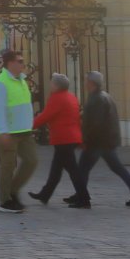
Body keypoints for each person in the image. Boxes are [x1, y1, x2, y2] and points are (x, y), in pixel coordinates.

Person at [79, 71, 130, 208]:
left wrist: (85, 139)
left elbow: (96, 123)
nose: (85, 83)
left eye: (86, 81)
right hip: (107, 140)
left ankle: (82, 199)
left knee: (82, 168)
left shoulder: (97, 99)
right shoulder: (105, 96)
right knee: (118, 168)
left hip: (97, 141)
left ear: (91, 83)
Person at [0, 49, 41, 214]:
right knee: (8, 166)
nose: (23, 64)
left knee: (32, 161)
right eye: (20, 61)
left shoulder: (22, 80)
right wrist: (2, 132)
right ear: (10, 63)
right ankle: (5, 201)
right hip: (8, 132)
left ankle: (12, 190)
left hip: (25, 130)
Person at [28, 73, 89, 207]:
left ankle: (84, 199)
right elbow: (76, 119)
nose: (50, 85)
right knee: (56, 169)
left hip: (63, 139)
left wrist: (28, 126)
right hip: (71, 138)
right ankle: (45, 194)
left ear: (56, 85)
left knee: (73, 170)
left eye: (52, 83)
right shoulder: (72, 97)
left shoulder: (57, 98)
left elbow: (45, 116)